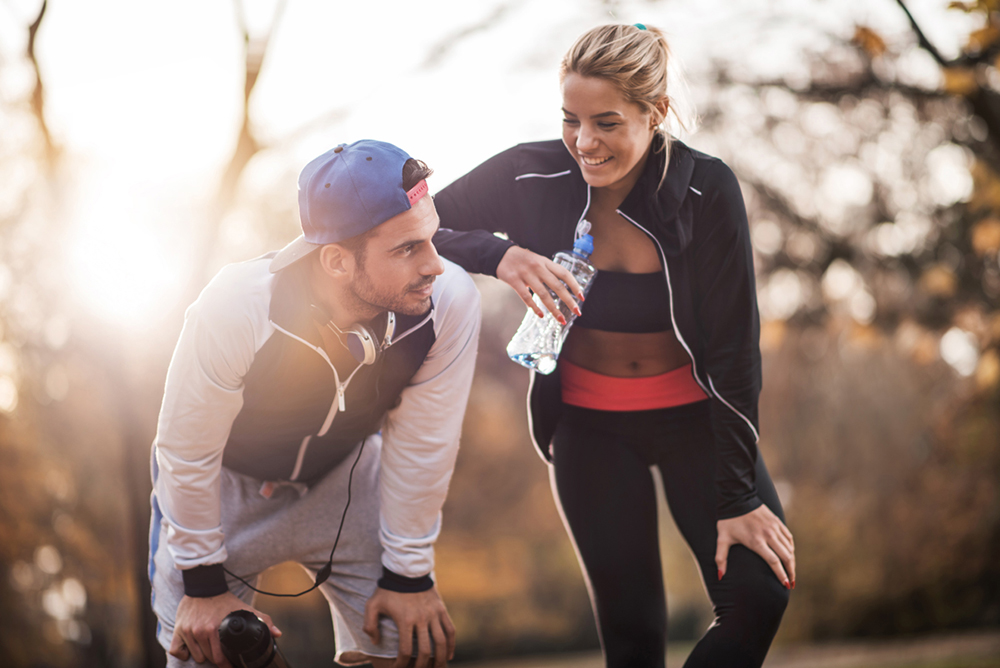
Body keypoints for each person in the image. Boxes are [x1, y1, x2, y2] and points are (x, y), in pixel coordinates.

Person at [432, 24, 793, 668]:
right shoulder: (529, 173)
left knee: (759, 596)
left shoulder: (708, 193)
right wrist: (501, 254)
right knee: (632, 639)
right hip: (590, 429)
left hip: (696, 423)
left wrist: (739, 499)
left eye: (606, 122)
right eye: (571, 120)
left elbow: (738, 350)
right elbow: (423, 228)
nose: (584, 143)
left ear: (654, 114)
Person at [148, 139, 481, 668]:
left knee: (407, 648)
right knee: (202, 655)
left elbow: (425, 443)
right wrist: (202, 581)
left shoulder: (450, 305)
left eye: (431, 238)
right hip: (224, 499)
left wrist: (408, 574)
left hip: (345, 484)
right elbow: (185, 449)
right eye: (407, 248)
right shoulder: (237, 306)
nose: (436, 265)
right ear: (336, 261)